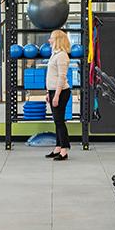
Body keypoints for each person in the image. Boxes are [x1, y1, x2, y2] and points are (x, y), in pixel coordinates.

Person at [45, 29, 73, 161]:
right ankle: (58, 147)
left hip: (60, 92)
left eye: (51, 38)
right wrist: (48, 93)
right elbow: (52, 76)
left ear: (57, 40)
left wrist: (56, 96)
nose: (49, 40)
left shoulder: (62, 56)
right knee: (57, 121)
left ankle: (64, 151)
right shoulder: (54, 54)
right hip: (53, 91)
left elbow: (62, 77)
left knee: (60, 122)